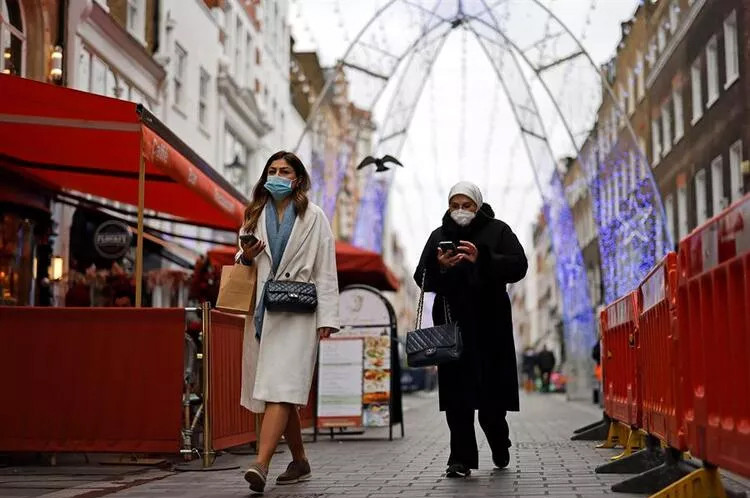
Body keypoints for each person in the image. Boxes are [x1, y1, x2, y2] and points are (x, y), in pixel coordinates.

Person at [236, 151, 339, 493]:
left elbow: (325, 269)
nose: (277, 175)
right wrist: (246, 256)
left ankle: (261, 463)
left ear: (298, 178)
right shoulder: (253, 214)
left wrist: (328, 317)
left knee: (280, 387)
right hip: (264, 310)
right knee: (279, 390)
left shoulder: (315, 217)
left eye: (285, 171)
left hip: (298, 312)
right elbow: (242, 259)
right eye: (272, 170)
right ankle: (299, 461)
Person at [414, 181, 528, 478]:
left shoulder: (498, 230)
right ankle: (460, 459)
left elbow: (519, 266)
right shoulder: (438, 236)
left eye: (467, 205)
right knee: (457, 397)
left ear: (478, 206)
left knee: (491, 398)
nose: (461, 211)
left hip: (491, 324)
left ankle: (498, 440)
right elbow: (421, 278)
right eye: (455, 205)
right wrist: (440, 266)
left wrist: (483, 259)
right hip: (453, 325)